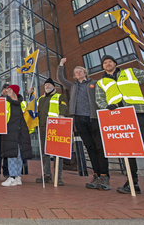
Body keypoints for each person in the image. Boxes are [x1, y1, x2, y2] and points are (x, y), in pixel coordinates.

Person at [95, 46, 144, 199]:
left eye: (110, 61)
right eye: (105, 63)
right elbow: (99, 100)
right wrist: (106, 106)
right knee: (127, 150)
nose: (108, 64)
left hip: (137, 113)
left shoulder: (130, 72)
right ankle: (132, 182)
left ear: (115, 63)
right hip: (118, 116)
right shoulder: (101, 82)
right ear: (103, 67)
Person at [57, 58, 110, 190]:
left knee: (100, 147)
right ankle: (96, 175)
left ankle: (104, 176)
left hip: (93, 118)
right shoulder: (73, 86)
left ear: (85, 73)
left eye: (80, 71)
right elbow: (60, 79)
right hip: (79, 120)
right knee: (90, 147)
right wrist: (61, 65)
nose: (78, 73)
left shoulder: (94, 83)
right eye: (76, 72)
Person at [33, 78, 68, 186]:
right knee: (45, 152)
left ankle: (58, 176)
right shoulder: (40, 99)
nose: (47, 86)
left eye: (49, 84)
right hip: (43, 127)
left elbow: (63, 107)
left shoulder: (59, 96)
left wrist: (62, 115)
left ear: (53, 86)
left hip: (56, 127)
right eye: (46, 85)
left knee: (58, 153)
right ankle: (47, 175)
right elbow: (35, 110)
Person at [1, 85, 32, 187]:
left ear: (14, 91)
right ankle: (13, 176)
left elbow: (28, 116)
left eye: (10, 89)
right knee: (11, 154)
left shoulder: (22, 103)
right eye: (7, 89)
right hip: (10, 132)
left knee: (19, 154)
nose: (7, 91)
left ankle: (17, 177)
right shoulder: (5, 102)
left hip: (21, 132)